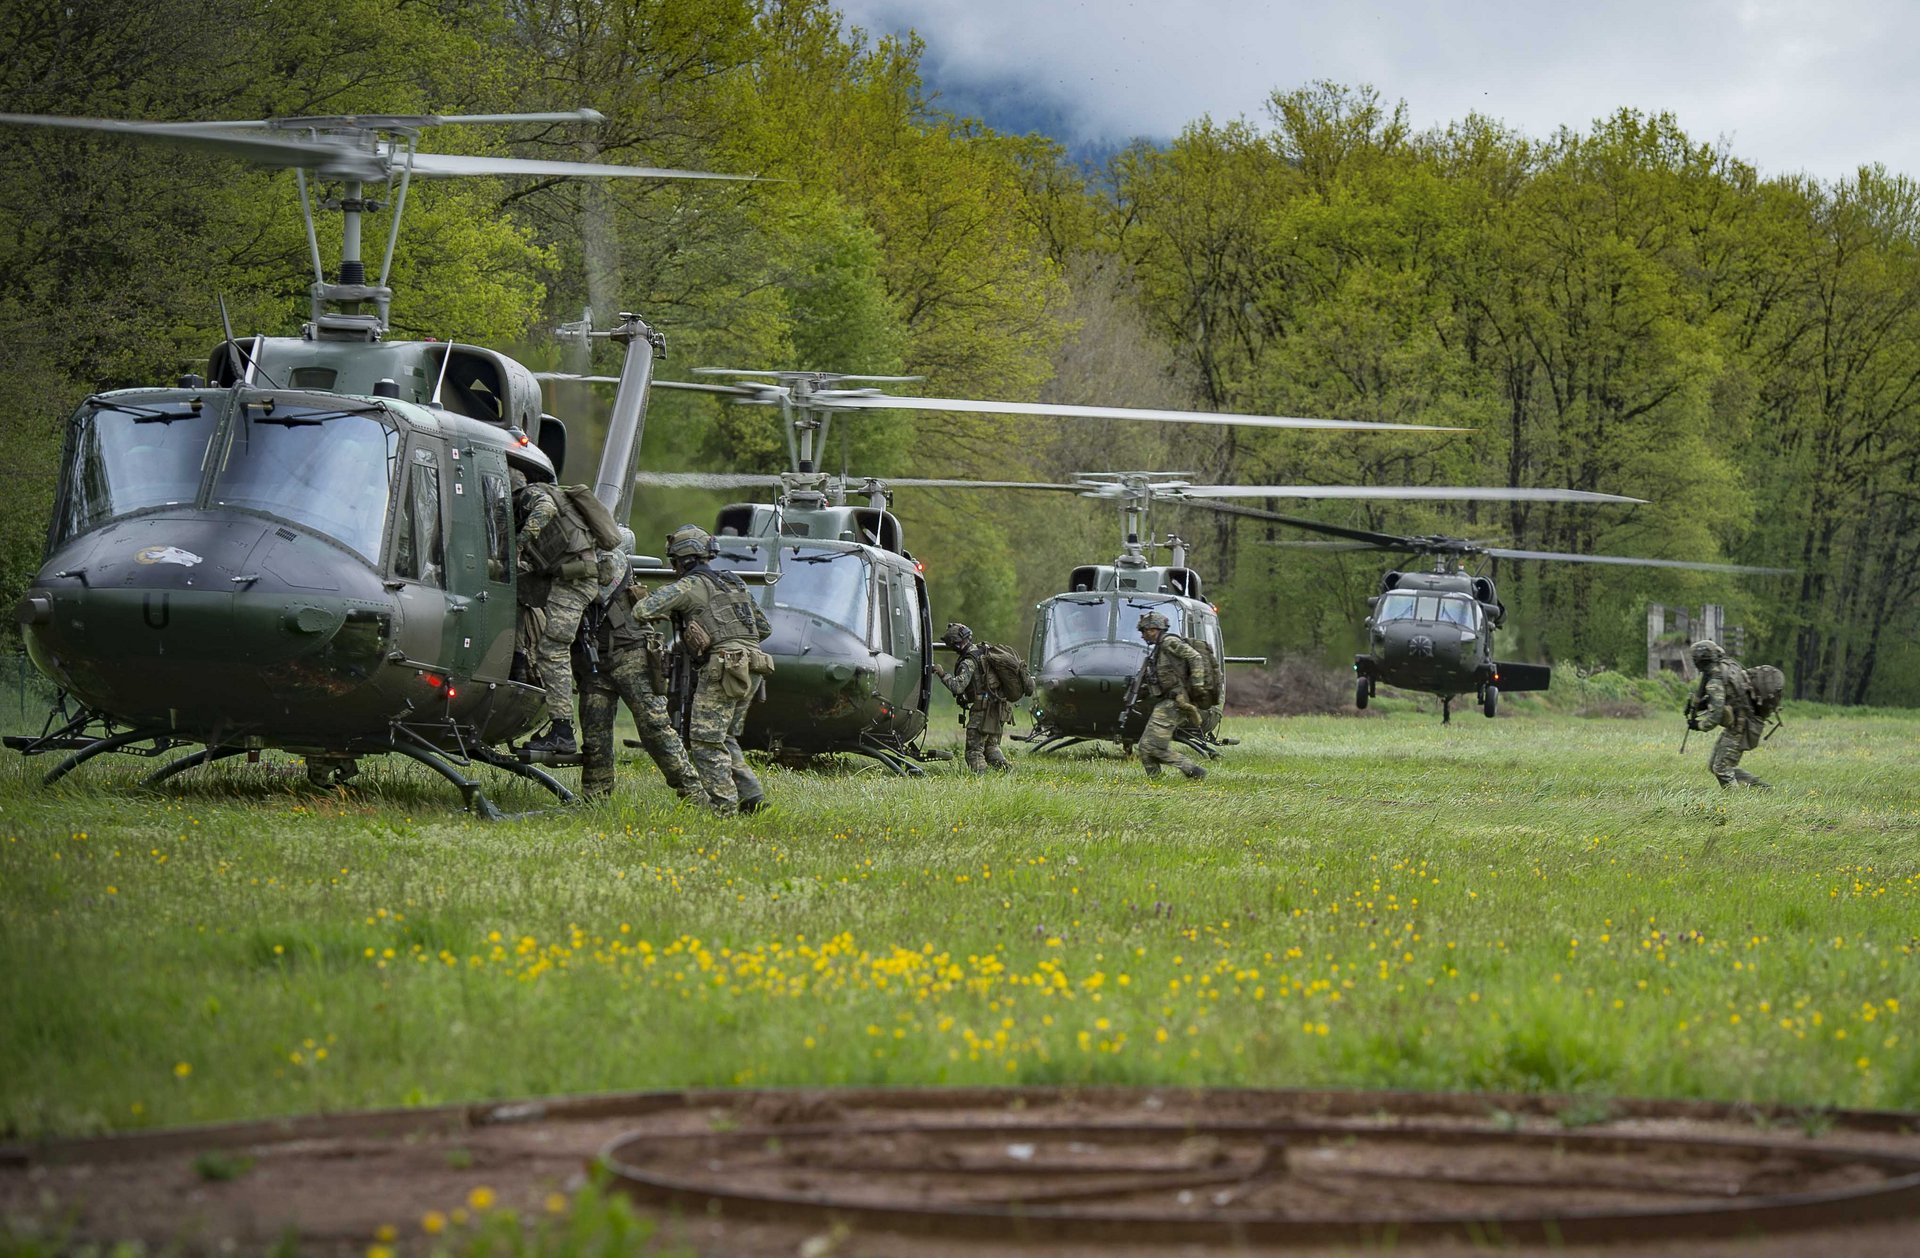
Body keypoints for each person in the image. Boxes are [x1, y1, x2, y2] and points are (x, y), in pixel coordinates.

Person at [633, 524, 773, 817]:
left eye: (673, 561)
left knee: (705, 741)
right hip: (755, 664)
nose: (673, 567)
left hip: (724, 664)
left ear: (682, 559)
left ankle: (724, 809)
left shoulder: (689, 586)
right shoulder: (734, 582)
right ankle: (752, 797)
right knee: (725, 737)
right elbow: (764, 628)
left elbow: (642, 610)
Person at [572, 551, 710, 806]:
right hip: (593, 661)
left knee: (655, 728)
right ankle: (595, 802)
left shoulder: (611, 555)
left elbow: (598, 590)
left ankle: (695, 796)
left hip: (632, 653)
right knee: (595, 736)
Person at [513, 469, 598, 755]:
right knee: (512, 590)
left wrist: (520, 543)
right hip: (565, 576)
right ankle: (519, 662)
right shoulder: (548, 493)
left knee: (553, 650)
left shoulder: (531, 495)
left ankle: (562, 731)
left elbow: (545, 509)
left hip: (574, 580)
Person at [1132, 610, 1210, 781]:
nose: (1143, 636)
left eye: (1144, 631)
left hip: (1176, 702)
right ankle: (1156, 782)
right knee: (1145, 747)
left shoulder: (1169, 643)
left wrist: (1197, 686)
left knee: (1152, 747)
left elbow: (1195, 657)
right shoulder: (1159, 649)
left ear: (1154, 629)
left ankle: (1193, 770)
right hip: (1169, 701)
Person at [1687, 639, 1771, 789]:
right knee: (1715, 764)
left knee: (1721, 768)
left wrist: (1698, 725)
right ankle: (1762, 789)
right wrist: (1701, 704)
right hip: (1741, 722)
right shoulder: (1726, 667)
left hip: (1740, 726)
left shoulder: (1715, 681)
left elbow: (1715, 716)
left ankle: (1734, 803)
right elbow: (1728, 697)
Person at [932, 622, 1013, 773]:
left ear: (955, 645)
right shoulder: (985, 651)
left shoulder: (969, 661)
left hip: (982, 710)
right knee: (991, 748)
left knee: (974, 752)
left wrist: (942, 673)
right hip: (999, 707)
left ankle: (980, 785)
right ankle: (1007, 775)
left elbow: (958, 687)